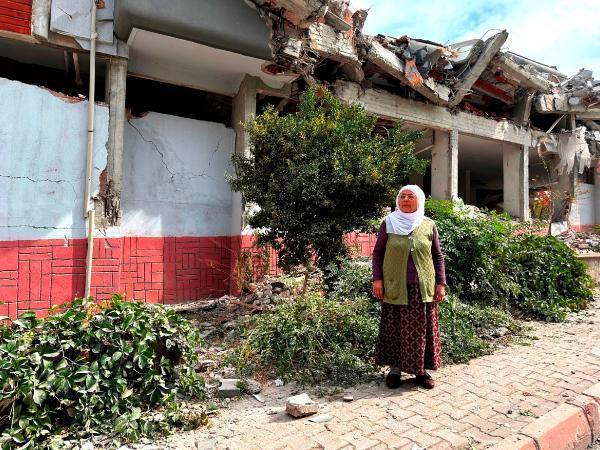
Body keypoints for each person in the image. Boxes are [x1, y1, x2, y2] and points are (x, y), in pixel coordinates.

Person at [371, 185, 446, 389]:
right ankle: (395, 370)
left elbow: (437, 256)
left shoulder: (429, 225)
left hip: (422, 288)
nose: (405, 199)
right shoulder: (388, 223)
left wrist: (441, 283)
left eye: (410, 196)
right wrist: (377, 280)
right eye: (402, 196)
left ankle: (421, 371)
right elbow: (377, 253)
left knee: (421, 330)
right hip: (395, 285)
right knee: (394, 328)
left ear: (419, 200)